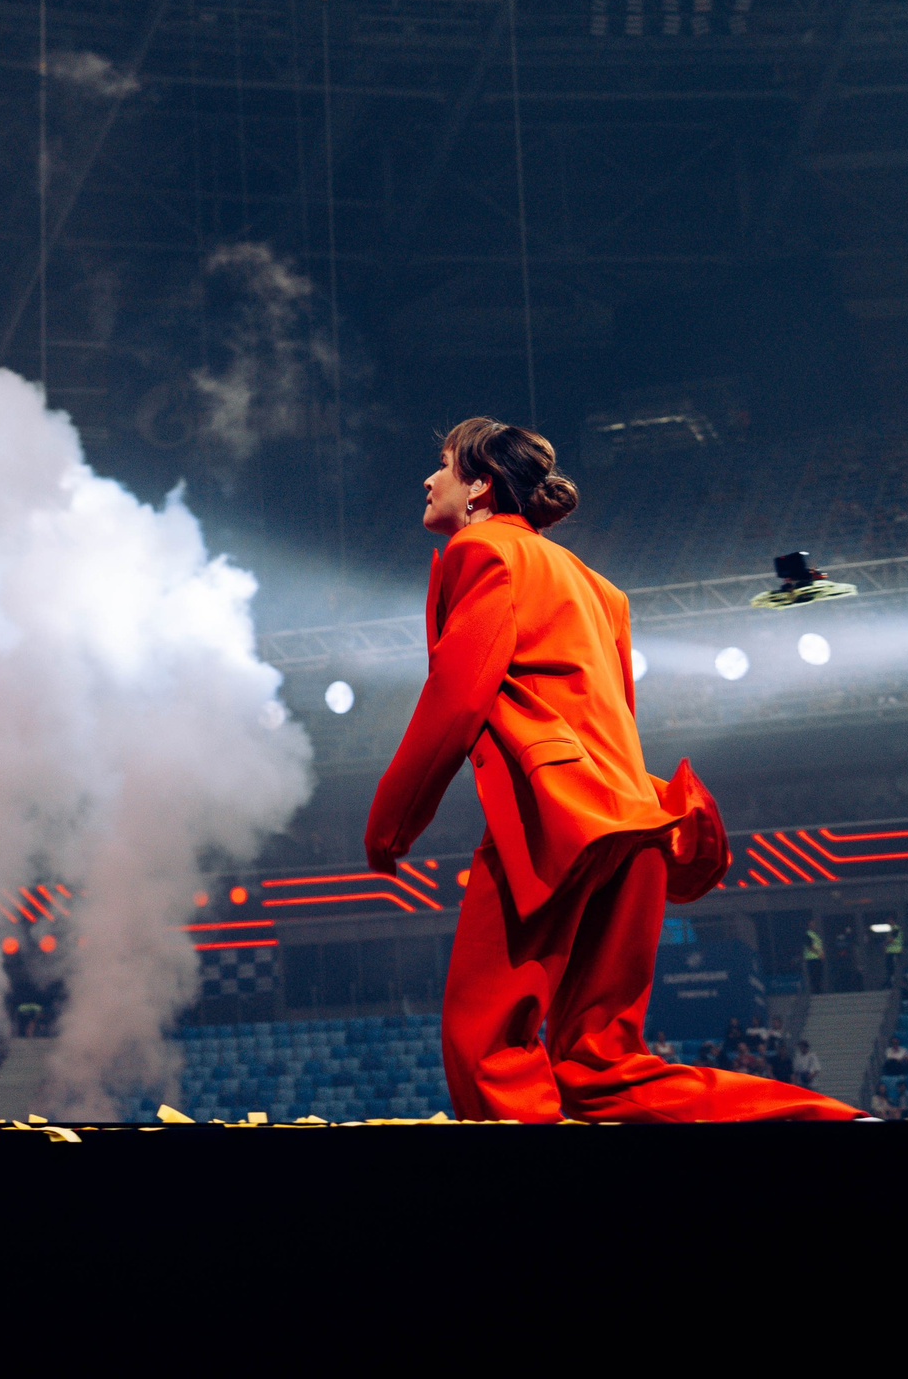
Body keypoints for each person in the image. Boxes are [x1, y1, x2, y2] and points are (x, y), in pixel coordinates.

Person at [362, 418, 860, 1123]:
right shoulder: (600, 587)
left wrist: (391, 827)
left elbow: (455, 698)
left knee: (487, 1049)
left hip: (557, 828)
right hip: (635, 825)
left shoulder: (479, 550)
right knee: (600, 1068)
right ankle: (834, 1118)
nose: (428, 478)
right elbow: (617, 718)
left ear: (479, 485)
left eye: (441, 464)